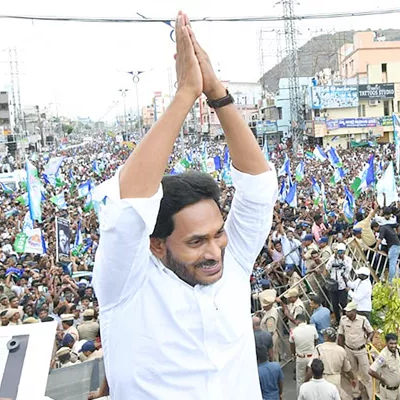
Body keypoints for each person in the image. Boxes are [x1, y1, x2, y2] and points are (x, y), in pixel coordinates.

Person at [92, 12, 277, 399]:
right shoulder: (126, 284)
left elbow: (259, 187)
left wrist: (217, 94)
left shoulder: (233, 261)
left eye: (218, 234)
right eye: (195, 242)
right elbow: (129, 206)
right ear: (156, 244)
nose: (214, 252)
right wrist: (184, 96)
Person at [337, 301, 374, 400]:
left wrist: (369, 338)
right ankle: (356, 394)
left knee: (366, 373)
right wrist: (340, 349)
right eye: (346, 312)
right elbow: (340, 335)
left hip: (361, 350)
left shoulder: (362, 320)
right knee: (352, 373)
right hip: (349, 350)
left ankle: (371, 396)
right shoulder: (343, 320)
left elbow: (371, 331)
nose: (347, 314)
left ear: (354, 311)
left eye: (349, 312)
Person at [315, 327, 354, 398]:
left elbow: (311, 366)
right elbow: (348, 369)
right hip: (336, 379)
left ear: (326, 337)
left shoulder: (319, 349)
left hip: (322, 378)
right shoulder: (341, 350)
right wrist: (352, 378)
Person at [289, 313, 319, 392]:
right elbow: (316, 339)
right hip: (311, 356)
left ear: (296, 321)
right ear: (305, 320)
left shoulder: (293, 331)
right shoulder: (312, 328)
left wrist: (294, 354)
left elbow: (292, 344)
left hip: (300, 357)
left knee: (300, 379)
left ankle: (301, 396)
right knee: (313, 378)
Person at [368, 333, 400, 400]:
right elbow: (370, 371)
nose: (393, 346)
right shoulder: (383, 356)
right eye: (391, 343)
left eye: (395, 343)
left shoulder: (397, 349)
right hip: (388, 391)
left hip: (398, 388)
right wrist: (382, 380)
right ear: (386, 343)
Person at [326, 243, 353, 322]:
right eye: (339, 252)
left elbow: (348, 269)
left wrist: (343, 260)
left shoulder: (348, 259)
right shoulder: (332, 258)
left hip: (342, 284)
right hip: (333, 284)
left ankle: (345, 318)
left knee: (343, 303)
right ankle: (338, 319)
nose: (340, 253)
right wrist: (333, 259)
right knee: (334, 304)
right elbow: (327, 267)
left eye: (342, 252)